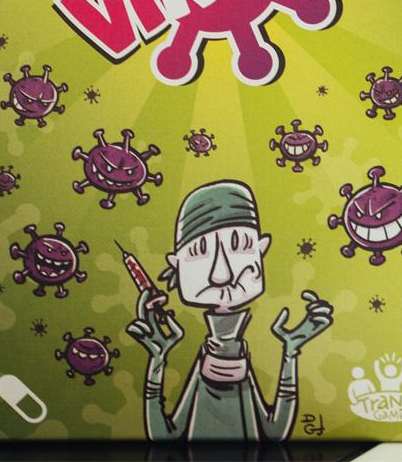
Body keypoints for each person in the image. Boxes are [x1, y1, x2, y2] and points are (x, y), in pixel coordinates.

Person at [126, 179, 333, 441]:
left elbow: (276, 432)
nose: (221, 274)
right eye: (199, 251)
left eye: (238, 245)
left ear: (261, 249)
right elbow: (162, 436)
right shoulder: (207, 362)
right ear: (177, 264)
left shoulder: (238, 360)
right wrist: (157, 361)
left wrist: (291, 353)